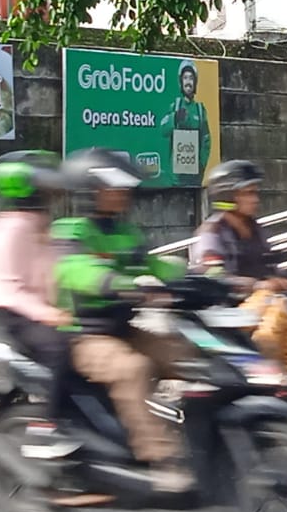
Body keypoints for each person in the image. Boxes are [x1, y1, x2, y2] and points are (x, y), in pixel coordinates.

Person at [52, 148, 192, 492]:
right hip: (86, 336)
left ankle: (199, 436)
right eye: (113, 187)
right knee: (134, 370)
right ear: (91, 191)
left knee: (190, 356)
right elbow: (75, 270)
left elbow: (154, 266)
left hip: (124, 329)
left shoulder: (125, 232)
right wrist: (113, 282)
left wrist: (199, 277)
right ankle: (161, 459)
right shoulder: (71, 232)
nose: (122, 194)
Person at [0, 150, 70, 423]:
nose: (52, 194)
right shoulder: (6, 231)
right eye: (45, 188)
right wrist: (49, 314)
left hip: (49, 313)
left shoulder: (39, 225)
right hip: (22, 319)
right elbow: (9, 291)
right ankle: (53, 426)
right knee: (62, 352)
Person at [190, 159, 287, 376]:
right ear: (228, 197)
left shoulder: (255, 229)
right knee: (273, 325)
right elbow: (214, 276)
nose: (255, 199)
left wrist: (283, 278)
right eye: (248, 193)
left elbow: (269, 263)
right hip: (226, 313)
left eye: (255, 193)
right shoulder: (211, 233)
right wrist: (258, 285)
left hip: (261, 307)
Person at [158, 59, 211, 189]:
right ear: (181, 82)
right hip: (176, 178)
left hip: (194, 177)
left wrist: (201, 164)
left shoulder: (200, 110)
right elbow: (163, 129)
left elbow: (206, 140)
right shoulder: (174, 106)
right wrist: (174, 118)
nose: (188, 82)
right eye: (185, 78)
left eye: (191, 78)